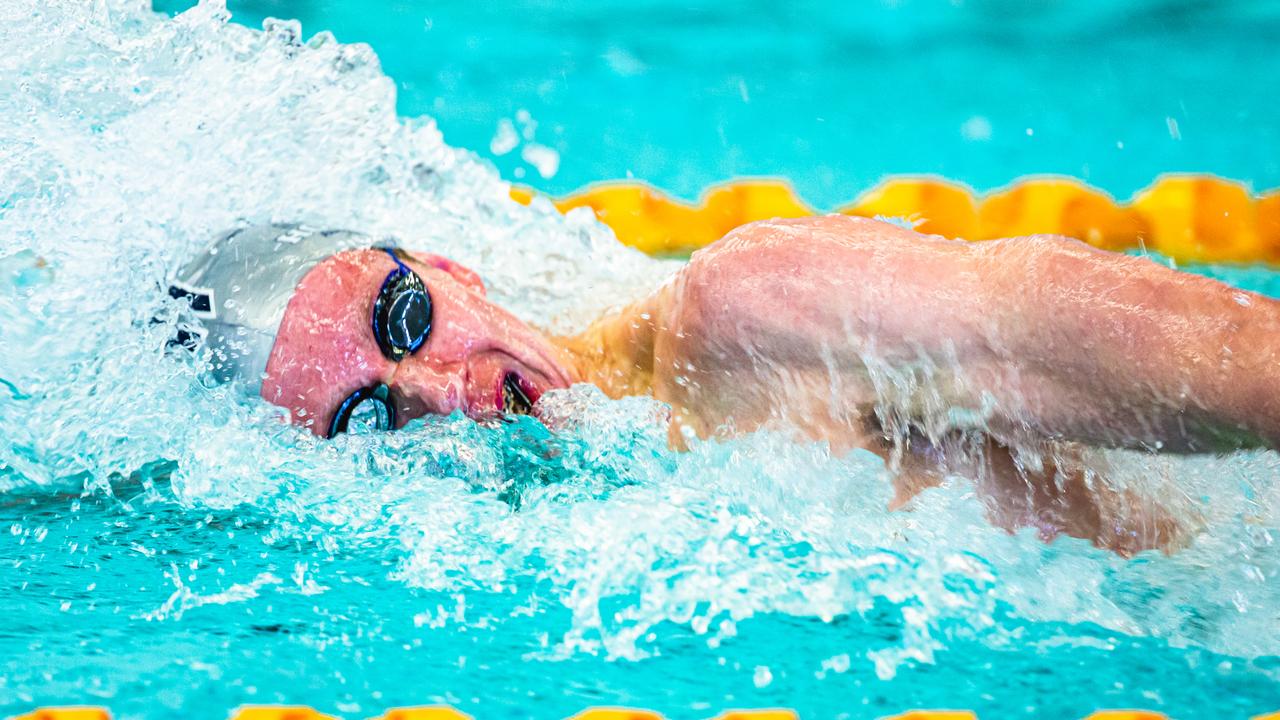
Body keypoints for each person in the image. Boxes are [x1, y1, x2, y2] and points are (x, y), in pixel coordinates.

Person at [170, 216, 1280, 554]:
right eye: (367, 417)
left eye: (404, 320)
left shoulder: (748, 311)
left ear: (449, 269)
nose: (432, 389)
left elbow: (1238, 363)